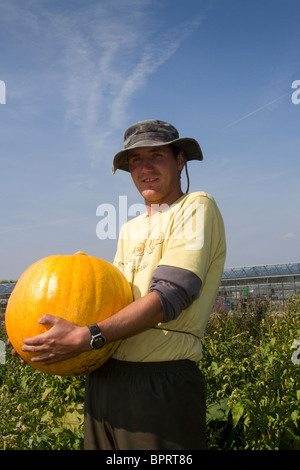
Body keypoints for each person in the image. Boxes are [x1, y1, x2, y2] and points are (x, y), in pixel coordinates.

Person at [13, 119, 226, 450]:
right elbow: (108, 304)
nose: (145, 168)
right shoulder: (129, 229)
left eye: (156, 155)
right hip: (105, 376)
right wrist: (37, 341)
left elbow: (171, 295)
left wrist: (86, 336)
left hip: (158, 382)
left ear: (180, 160)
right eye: (135, 160)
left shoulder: (196, 207)